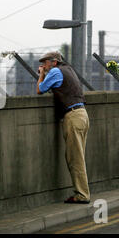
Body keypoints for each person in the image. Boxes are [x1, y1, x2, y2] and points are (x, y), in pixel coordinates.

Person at [36, 51, 90, 204]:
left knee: (75, 158)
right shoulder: (69, 69)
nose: (43, 66)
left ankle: (82, 195)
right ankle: (82, 192)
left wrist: (41, 75)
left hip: (73, 116)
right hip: (82, 115)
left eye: (45, 62)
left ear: (53, 62)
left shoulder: (55, 71)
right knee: (77, 156)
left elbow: (40, 89)